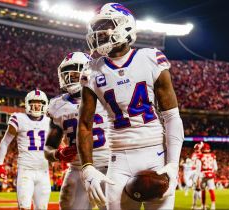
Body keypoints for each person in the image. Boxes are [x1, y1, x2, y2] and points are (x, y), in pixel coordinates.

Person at [77, 3, 184, 209]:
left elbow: (171, 117)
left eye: (105, 26)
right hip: (118, 158)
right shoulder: (91, 70)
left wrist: (172, 164)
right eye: (96, 28)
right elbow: (85, 125)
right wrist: (87, 167)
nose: (98, 33)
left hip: (155, 153)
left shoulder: (151, 58)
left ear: (125, 26)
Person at [44, 52, 109, 210]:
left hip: (111, 166)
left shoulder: (107, 95)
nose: (71, 77)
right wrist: (57, 154)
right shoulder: (57, 105)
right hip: (77, 168)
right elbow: (48, 148)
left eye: (75, 73)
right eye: (68, 73)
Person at [0, 89, 51, 210]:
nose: (37, 105)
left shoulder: (49, 122)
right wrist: (0, 164)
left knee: (42, 208)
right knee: (24, 207)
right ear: (27, 103)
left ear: (44, 104)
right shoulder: (19, 118)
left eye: (40, 102)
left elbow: (57, 144)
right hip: (26, 171)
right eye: (33, 102)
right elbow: (5, 142)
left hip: (44, 171)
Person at [199, 143, 217, 210]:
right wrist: (211, 172)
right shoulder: (212, 155)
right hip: (210, 174)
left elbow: (199, 167)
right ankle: (213, 205)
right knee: (211, 190)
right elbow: (216, 167)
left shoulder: (200, 156)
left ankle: (203, 206)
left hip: (203, 174)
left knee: (203, 190)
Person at [191, 142, 203, 209]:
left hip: (193, 173)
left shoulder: (193, 154)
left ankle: (194, 205)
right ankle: (200, 205)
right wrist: (198, 177)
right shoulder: (199, 155)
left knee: (196, 190)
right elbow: (198, 167)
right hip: (197, 173)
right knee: (199, 189)